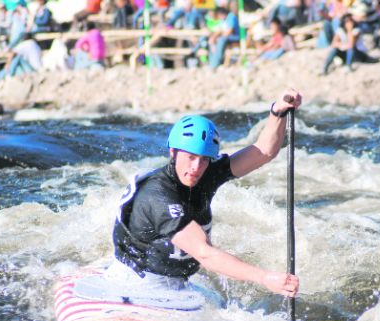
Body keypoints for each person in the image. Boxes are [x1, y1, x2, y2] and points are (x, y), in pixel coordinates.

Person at [108, 89, 302, 302]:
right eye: (190, 157)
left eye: (203, 159)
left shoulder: (206, 172)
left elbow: (263, 152)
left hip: (178, 283)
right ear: (173, 152)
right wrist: (265, 278)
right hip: (137, 284)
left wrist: (278, 113)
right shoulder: (158, 196)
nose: (196, 167)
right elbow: (204, 252)